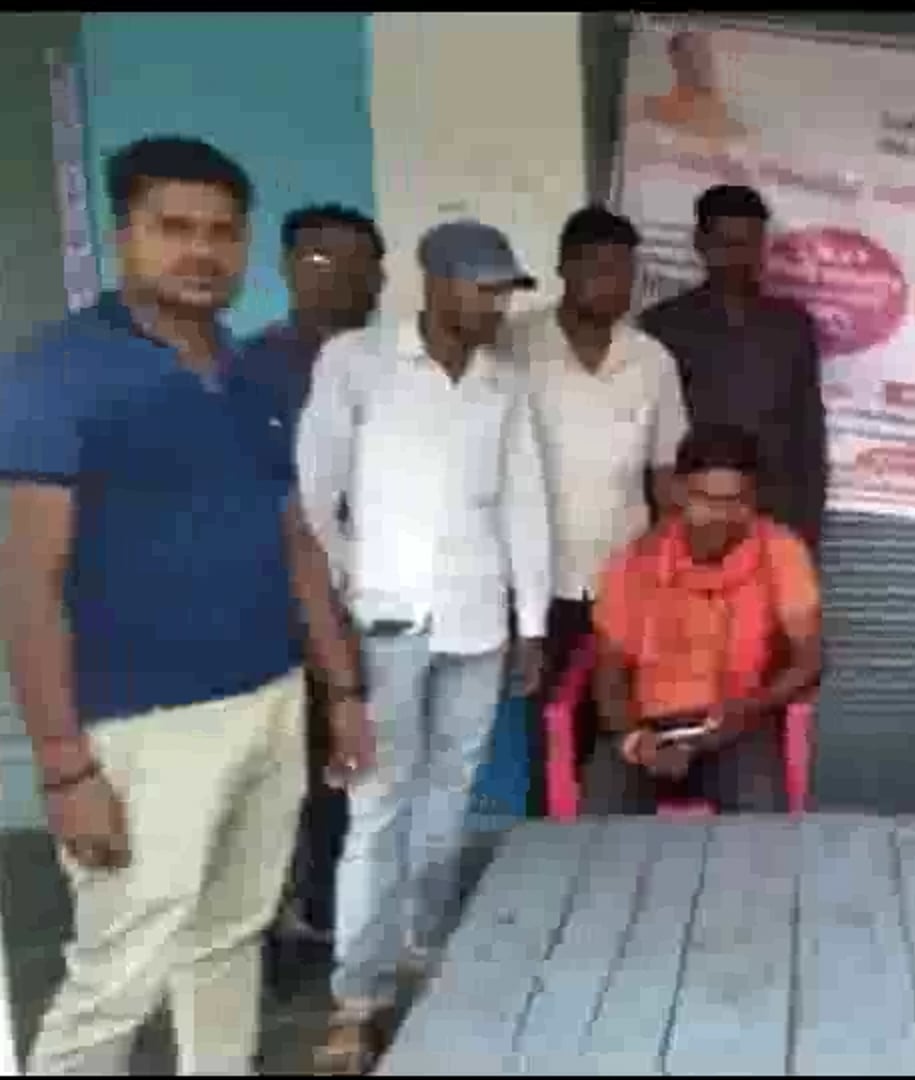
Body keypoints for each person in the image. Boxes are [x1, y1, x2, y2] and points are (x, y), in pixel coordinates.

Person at [0, 135, 367, 1075]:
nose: (201, 251)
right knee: (119, 968)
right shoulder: (60, 374)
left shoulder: (251, 374)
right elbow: (28, 582)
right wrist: (63, 768)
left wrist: (340, 690)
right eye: (174, 227)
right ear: (123, 233)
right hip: (141, 729)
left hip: (269, 700)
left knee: (229, 936)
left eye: (221, 232)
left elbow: (294, 539)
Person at [297, 218, 551, 1073]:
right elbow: (314, 497)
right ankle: (357, 996)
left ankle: (423, 944)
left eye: (504, 292)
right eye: (484, 290)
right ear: (436, 282)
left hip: (477, 621)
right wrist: (352, 589)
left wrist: (531, 624)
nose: (496, 307)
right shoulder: (357, 363)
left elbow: (524, 504)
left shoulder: (502, 381)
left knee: (450, 797)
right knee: (379, 808)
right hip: (387, 625)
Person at [502, 206, 689, 817]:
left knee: (622, 725)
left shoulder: (652, 361)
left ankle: (612, 847)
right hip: (537, 583)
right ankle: (547, 844)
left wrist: (672, 577)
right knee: (546, 728)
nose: (614, 285)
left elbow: (666, 476)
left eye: (625, 273)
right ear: (565, 268)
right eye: (600, 269)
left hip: (626, 580)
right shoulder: (513, 346)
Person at [239, 203, 386, 956]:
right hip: (270, 611)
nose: (344, 278)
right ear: (290, 267)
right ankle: (259, 928)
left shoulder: (398, 368)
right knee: (270, 777)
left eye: (362, 263)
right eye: (324, 260)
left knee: (352, 769)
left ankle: (331, 912)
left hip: (374, 603)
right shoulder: (249, 371)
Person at [585, 423, 824, 815]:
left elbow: (809, 658)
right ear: (679, 492)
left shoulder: (780, 551)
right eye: (707, 500)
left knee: (761, 832)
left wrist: (751, 708)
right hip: (647, 730)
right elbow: (609, 673)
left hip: (736, 726)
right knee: (595, 831)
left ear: (755, 498)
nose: (721, 516)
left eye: (737, 501)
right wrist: (634, 740)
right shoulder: (636, 562)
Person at [641, 184, 828, 549]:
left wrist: (806, 534)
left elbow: (809, 435)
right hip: (695, 522)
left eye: (749, 245)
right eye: (726, 245)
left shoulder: (792, 326)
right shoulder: (663, 326)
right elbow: (650, 440)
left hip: (776, 520)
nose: (738, 258)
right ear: (700, 243)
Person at [239, 204, 386, 411]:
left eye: (356, 260)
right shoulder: (244, 367)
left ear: (380, 278)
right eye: (320, 258)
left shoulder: (407, 369)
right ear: (286, 266)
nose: (338, 272)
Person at [638, 29, 748, 142]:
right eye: (692, 58)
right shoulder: (662, 109)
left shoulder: (724, 111)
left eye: (705, 56)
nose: (701, 64)